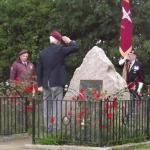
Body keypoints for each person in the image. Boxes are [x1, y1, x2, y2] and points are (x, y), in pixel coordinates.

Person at [36, 31, 79, 130]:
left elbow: (39, 69)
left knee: (47, 106)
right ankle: (56, 129)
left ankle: (47, 128)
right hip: (56, 82)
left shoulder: (42, 52)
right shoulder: (60, 49)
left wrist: (39, 85)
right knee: (56, 106)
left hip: (45, 83)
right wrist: (70, 41)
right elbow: (75, 48)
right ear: (58, 40)